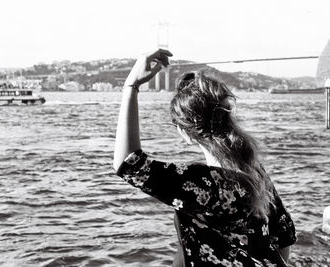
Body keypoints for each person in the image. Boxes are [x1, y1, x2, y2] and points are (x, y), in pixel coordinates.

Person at [113, 49, 296, 267]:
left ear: (185, 131)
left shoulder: (201, 183)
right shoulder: (255, 171)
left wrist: (131, 86)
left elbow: (128, 163)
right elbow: (284, 236)